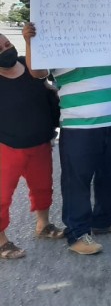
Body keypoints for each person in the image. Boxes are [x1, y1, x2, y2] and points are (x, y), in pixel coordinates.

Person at [30, 15, 111, 255]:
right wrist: (30, 42)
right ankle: (77, 233)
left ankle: (104, 218)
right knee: (78, 182)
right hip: (79, 128)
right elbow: (37, 72)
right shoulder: (61, 47)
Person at [0, 28, 63, 259]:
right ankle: (1, 241)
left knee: (43, 186)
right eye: (0, 49)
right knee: (2, 195)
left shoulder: (27, 64)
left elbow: (40, 72)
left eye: (7, 44)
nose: (6, 50)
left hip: (39, 143)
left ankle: (43, 225)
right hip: (6, 146)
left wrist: (28, 42)